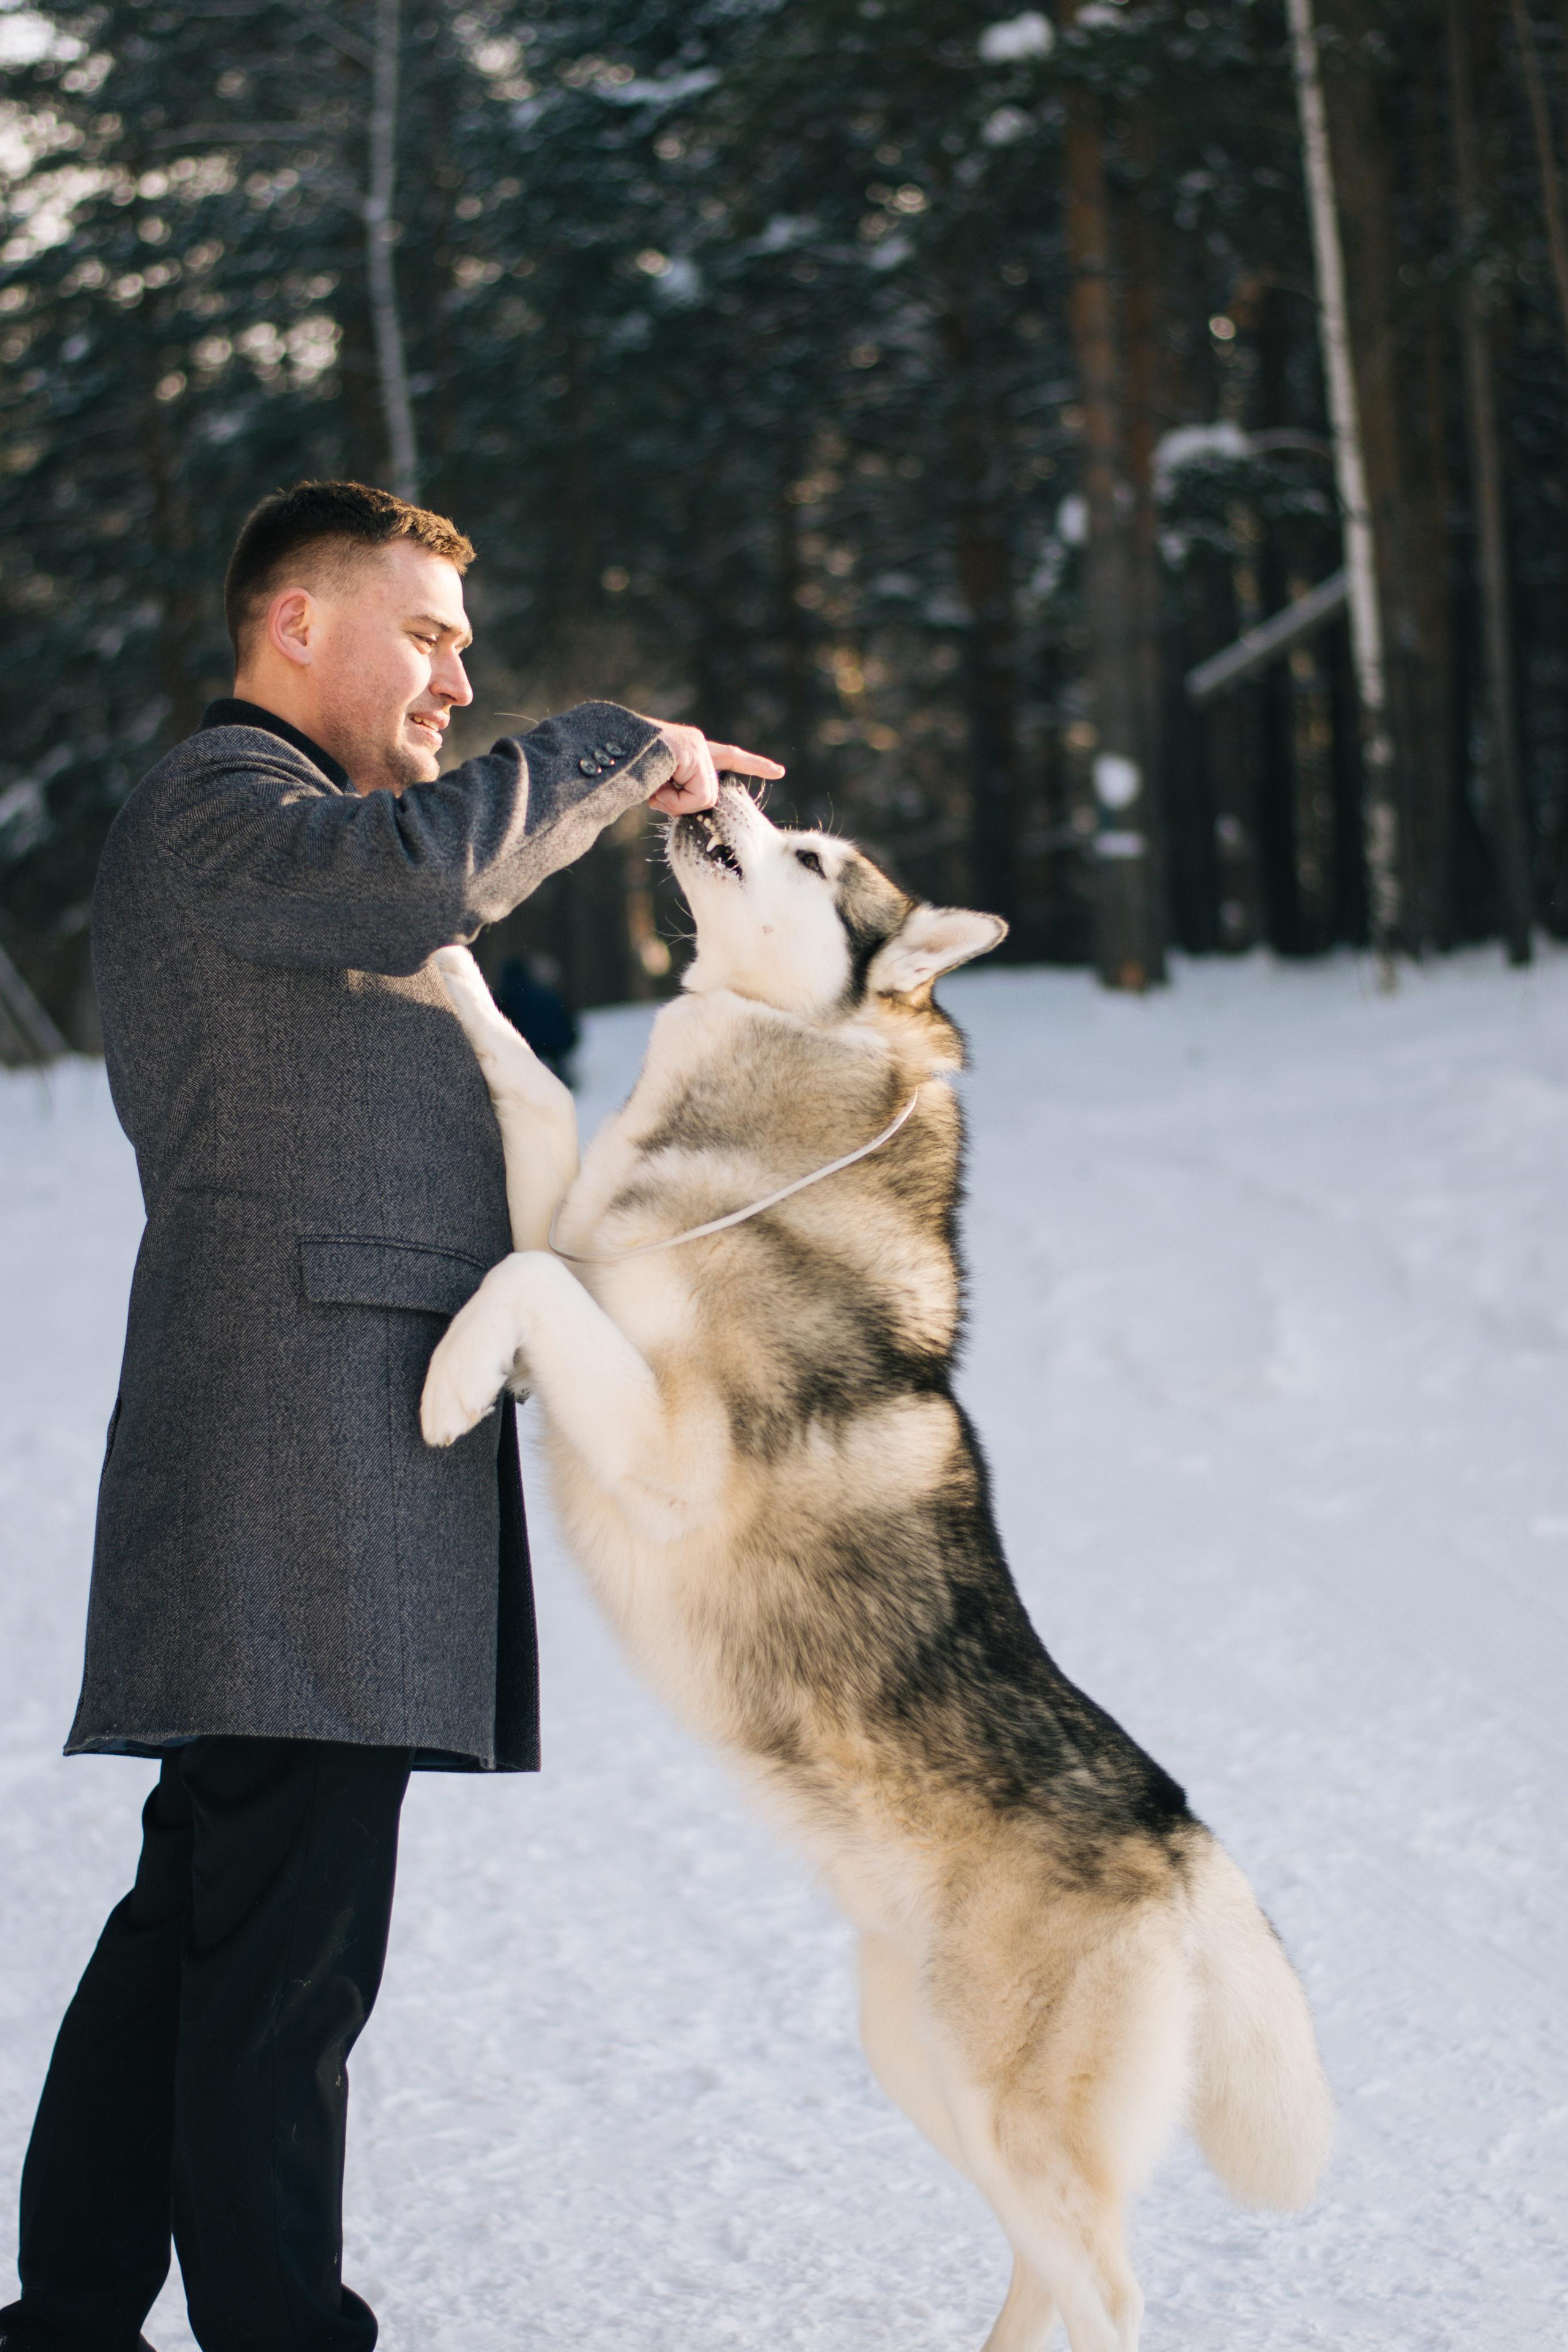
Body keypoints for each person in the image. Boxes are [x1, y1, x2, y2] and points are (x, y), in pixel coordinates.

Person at [0, 478, 783, 2352]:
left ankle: (70, 2319)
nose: (458, 677)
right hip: (302, 1461)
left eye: (465, 645)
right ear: (295, 624)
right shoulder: (228, 808)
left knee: (205, 1923)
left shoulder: (302, 843)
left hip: (326, 1453)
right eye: (425, 634)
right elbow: (423, 870)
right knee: (283, 1962)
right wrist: (614, 745)